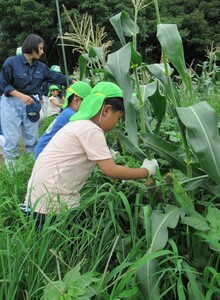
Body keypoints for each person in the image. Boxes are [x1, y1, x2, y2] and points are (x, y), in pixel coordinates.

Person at [24, 81, 158, 226]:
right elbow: (111, 171)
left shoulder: (80, 123)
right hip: (52, 208)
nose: (116, 124)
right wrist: (146, 171)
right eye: (118, 118)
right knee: (75, 243)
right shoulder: (91, 130)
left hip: (37, 201)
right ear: (106, 110)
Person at [0, 33, 73, 168]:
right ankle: (12, 176)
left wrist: (71, 81)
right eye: (40, 48)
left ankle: (32, 169)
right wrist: (21, 96)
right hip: (11, 102)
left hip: (31, 104)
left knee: (32, 139)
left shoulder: (40, 67)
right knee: (13, 140)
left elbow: (54, 76)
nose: (42, 51)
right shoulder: (11, 62)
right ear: (31, 47)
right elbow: (4, 84)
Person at [34, 81, 92, 160]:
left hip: (44, 149)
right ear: (76, 100)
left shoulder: (67, 111)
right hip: (45, 153)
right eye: (86, 103)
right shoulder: (72, 115)